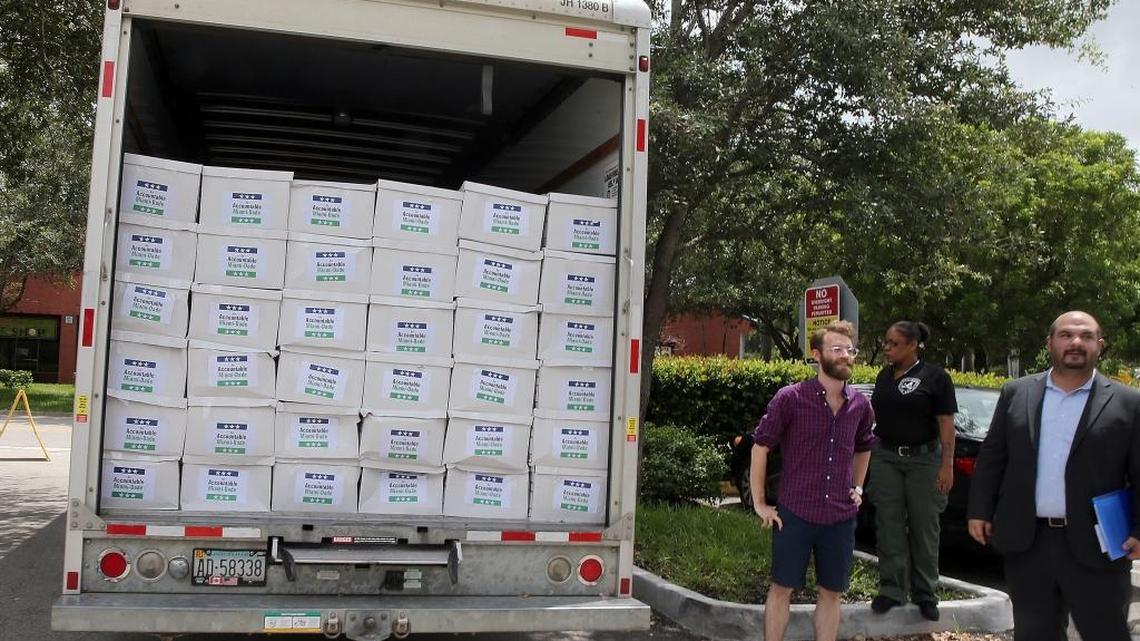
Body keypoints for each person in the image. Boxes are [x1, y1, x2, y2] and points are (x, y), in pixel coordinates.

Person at [967, 311, 1140, 641]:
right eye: (1066, 335)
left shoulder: (1129, 403)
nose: (1075, 342)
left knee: (1106, 632)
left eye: (1086, 336)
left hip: (1098, 544)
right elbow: (993, 456)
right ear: (1050, 343)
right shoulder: (1016, 393)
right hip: (1029, 542)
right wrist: (979, 509)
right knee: (1035, 634)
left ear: (1099, 346)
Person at [750, 320, 877, 641]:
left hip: (839, 516)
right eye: (837, 350)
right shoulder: (791, 399)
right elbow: (761, 446)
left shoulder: (861, 405)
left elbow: (864, 448)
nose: (846, 355)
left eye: (850, 350)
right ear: (817, 355)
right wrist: (761, 503)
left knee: (832, 593)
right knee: (781, 589)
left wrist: (858, 487)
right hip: (795, 514)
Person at [868, 321, 957, 621]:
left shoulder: (935, 377)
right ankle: (892, 590)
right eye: (886, 342)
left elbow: (946, 425)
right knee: (888, 525)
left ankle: (925, 594)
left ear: (912, 345)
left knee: (924, 528)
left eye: (893, 343)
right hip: (887, 458)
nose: (887, 348)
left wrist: (947, 465)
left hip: (924, 461)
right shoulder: (884, 376)